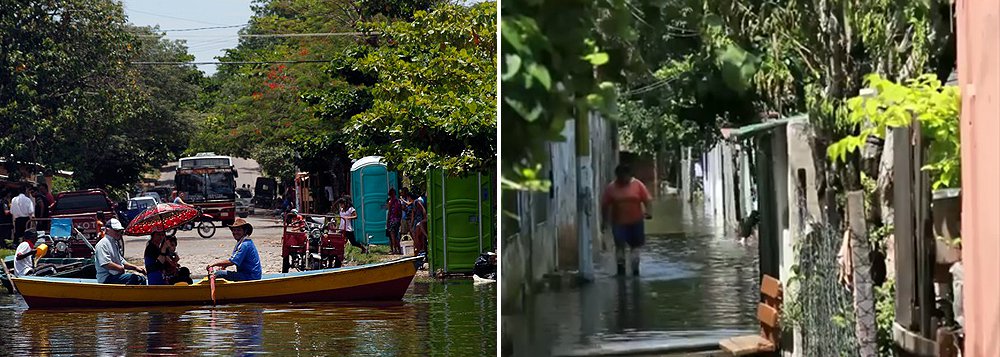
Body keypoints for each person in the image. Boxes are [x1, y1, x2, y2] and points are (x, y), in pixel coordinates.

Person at [600, 164, 653, 276]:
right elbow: (605, 205)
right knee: (620, 246)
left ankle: (635, 271)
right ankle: (621, 270)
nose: (624, 179)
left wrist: (649, 212)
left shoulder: (637, 185)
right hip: (619, 223)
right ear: (617, 176)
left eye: (626, 176)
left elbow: (647, 199)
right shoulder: (611, 188)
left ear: (629, 175)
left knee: (635, 248)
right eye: (621, 177)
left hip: (636, 222)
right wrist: (604, 221)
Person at [94, 218, 147, 285]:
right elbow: (106, 263)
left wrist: (135, 267)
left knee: (141, 278)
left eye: (120, 231)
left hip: (115, 276)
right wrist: (120, 268)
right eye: (116, 231)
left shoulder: (114, 243)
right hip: (107, 278)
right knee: (135, 278)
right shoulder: (102, 244)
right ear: (107, 230)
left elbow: (121, 261)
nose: (119, 233)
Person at [407, 191, 427, 256]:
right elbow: (413, 216)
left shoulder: (417, 202)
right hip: (417, 221)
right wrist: (411, 226)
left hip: (420, 221)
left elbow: (423, 210)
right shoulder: (414, 203)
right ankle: (419, 250)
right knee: (418, 236)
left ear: (409, 197)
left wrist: (424, 219)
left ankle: (420, 250)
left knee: (418, 236)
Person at [386, 188, 403, 255]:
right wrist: (400, 219)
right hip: (397, 220)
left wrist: (387, 222)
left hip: (392, 220)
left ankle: (395, 249)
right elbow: (400, 211)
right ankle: (398, 249)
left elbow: (389, 213)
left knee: (392, 235)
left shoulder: (390, 202)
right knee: (396, 235)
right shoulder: (398, 201)